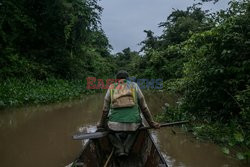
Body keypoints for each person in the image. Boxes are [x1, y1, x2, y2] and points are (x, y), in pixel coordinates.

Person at [97, 70, 160, 156]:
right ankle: (127, 148)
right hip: (133, 125)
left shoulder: (111, 87)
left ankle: (119, 148)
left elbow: (105, 110)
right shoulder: (134, 86)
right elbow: (144, 108)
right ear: (128, 79)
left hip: (114, 126)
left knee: (105, 127)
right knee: (140, 127)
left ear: (116, 80)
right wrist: (151, 123)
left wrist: (101, 125)